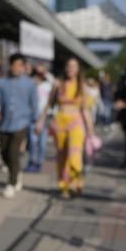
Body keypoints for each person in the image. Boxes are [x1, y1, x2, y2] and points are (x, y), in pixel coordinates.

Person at [36, 58, 96, 199]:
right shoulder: (58, 84)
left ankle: (76, 182)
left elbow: (86, 110)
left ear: (78, 70)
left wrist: (91, 131)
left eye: (74, 66)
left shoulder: (82, 87)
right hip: (60, 122)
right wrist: (40, 121)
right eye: (68, 66)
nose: (70, 69)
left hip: (76, 122)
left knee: (75, 154)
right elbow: (49, 105)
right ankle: (64, 185)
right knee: (62, 156)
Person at [0, 53, 39, 198]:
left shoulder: (30, 83)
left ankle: (11, 184)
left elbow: (34, 104)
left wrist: (36, 122)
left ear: (24, 67)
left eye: (19, 65)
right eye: (13, 64)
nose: (16, 68)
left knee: (13, 153)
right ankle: (17, 173)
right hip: (5, 123)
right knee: (4, 153)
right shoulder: (1, 82)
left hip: (22, 123)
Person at [26, 63, 53, 173]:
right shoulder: (31, 84)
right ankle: (32, 161)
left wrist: (44, 70)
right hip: (32, 117)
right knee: (33, 142)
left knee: (42, 143)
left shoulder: (48, 85)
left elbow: (54, 83)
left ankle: (39, 163)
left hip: (45, 117)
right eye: (37, 74)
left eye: (40, 74)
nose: (38, 76)